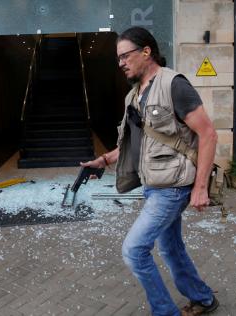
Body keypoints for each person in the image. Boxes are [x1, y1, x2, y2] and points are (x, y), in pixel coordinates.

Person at [80, 27, 219, 316]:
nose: (121, 63)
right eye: (118, 59)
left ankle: (165, 312)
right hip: (153, 186)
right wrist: (104, 161)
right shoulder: (132, 97)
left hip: (173, 188)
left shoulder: (174, 85)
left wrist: (201, 187)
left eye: (125, 56)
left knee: (134, 250)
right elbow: (135, 146)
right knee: (170, 249)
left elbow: (208, 134)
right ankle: (203, 298)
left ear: (147, 52)